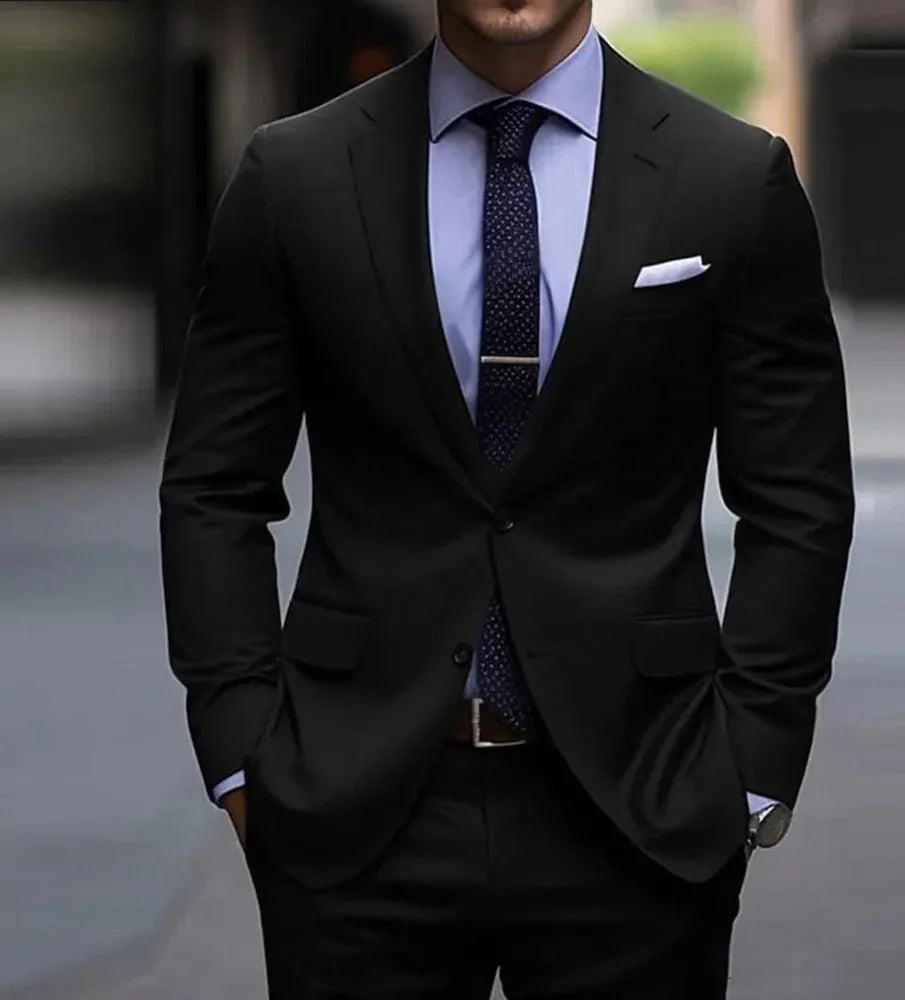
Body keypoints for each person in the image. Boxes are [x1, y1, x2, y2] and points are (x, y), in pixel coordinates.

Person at [158, 1, 855, 997]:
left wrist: (751, 760)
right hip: (357, 799)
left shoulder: (730, 177)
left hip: (639, 797)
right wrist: (240, 752)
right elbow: (215, 485)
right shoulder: (297, 174)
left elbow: (799, 495)